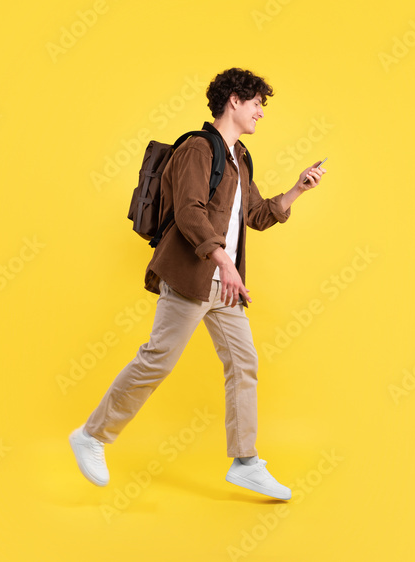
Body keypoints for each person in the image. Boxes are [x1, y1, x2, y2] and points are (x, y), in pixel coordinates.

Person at [69, 67, 326, 500]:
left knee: (243, 364)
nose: (261, 113)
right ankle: (92, 436)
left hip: (224, 287)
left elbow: (257, 215)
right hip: (192, 278)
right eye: (257, 104)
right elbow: (189, 212)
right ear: (234, 101)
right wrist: (224, 261)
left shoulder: (239, 156)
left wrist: (298, 190)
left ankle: (245, 462)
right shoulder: (197, 149)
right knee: (157, 361)